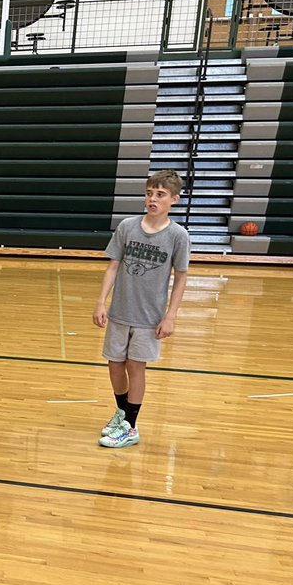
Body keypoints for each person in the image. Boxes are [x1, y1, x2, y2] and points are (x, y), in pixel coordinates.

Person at [92, 170, 190, 449]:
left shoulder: (177, 236)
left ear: (174, 199)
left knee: (136, 367)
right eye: (149, 193)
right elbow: (112, 267)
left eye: (160, 194)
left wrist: (171, 316)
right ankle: (122, 414)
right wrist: (101, 301)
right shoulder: (127, 226)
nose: (152, 199)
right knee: (114, 365)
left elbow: (181, 277)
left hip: (149, 317)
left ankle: (131, 426)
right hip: (120, 311)